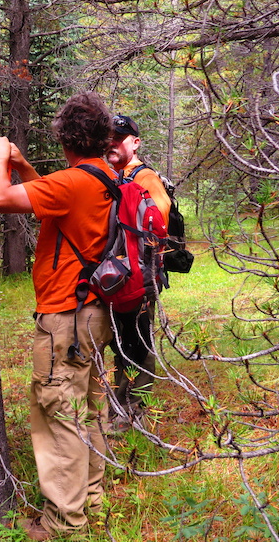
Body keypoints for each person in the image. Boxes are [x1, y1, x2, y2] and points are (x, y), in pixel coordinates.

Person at [0, 92, 116, 540]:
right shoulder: (105, 176)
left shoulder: (73, 182)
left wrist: (0, 157)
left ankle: (64, 524)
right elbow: (56, 202)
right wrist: (23, 166)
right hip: (97, 314)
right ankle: (91, 501)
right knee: (90, 409)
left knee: (59, 417)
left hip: (66, 318)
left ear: (64, 138)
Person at [105, 115, 171, 434]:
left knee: (138, 343)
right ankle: (122, 406)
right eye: (109, 138)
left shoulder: (144, 177)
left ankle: (136, 414)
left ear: (135, 142)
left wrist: (143, 271)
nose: (113, 143)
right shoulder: (116, 176)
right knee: (122, 343)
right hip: (119, 278)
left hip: (139, 279)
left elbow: (160, 224)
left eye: (120, 137)